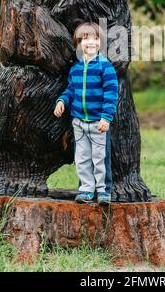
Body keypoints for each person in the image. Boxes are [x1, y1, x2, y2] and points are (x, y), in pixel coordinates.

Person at [54, 22, 118, 205]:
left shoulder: (105, 67)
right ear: (78, 43)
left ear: (101, 43)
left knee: (100, 158)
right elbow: (70, 90)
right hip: (79, 122)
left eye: (95, 38)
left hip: (98, 122)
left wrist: (106, 117)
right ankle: (86, 189)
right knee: (82, 158)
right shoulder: (76, 68)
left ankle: (103, 191)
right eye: (85, 38)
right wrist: (61, 101)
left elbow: (111, 94)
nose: (90, 42)